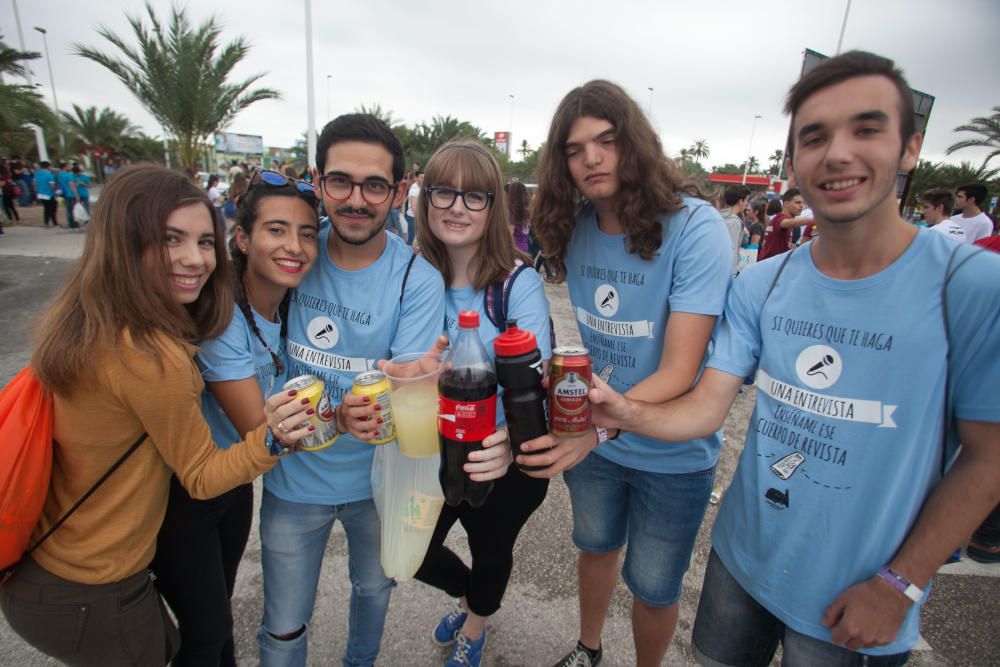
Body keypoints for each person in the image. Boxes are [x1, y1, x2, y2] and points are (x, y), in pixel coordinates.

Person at [585, 50, 1000, 666]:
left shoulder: (970, 286)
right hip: (739, 564)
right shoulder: (764, 283)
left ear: (910, 148)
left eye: (866, 129)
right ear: (794, 162)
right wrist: (614, 413)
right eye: (814, 137)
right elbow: (705, 405)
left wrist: (902, 584)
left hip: (859, 598)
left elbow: (988, 456)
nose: (836, 153)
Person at [0, 164, 314, 666]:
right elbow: (200, 475)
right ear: (124, 243)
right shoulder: (150, 354)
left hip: (51, 569)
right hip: (94, 585)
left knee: (208, 631)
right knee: (201, 641)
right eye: (171, 240)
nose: (195, 259)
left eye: (202, 242)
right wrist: (274, 437)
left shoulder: (92, 320)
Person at [523, 80, 733, 667]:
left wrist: (599, 429)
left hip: (670, 450)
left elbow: (680, 369)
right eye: (574, 148)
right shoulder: (577, 225)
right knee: (593, 547)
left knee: (654, 584)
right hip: (592, 437)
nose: (591, 157)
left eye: (607, 141)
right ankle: (588, 650)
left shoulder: (695, 228)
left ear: (634, 144)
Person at [256, 113, 446, 667]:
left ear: (400, 190)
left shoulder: (417, 278)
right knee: (283, 628)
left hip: (376, 485)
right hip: (293, 480)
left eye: (375, 185)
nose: (356, 199)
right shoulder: (293, 256)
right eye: (340, 181)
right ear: (317, 182)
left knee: (373, 592)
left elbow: (403, 382)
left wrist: (416, 385)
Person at [151, 169, 321, 666]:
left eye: (306, 233)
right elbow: (260, 430)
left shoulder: (289, 304)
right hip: (186, 496)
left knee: (216, 620)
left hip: (234, 487)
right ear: (242, 238)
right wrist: (344, 417)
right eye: (276, 230)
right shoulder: (222, 315)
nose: (294, 245)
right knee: (205, 635)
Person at [410, 140, 551, 667]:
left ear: (494, 207)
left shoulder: (517, 283)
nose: (456, 207)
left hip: (503, 456)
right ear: (426, 200)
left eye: (475, 196)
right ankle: (473, 598)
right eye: (443, 191)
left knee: (493, 550)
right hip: (433, 450)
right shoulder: (413, 277)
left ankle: (476, 625)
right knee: (412, 551)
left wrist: (512, 447)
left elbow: (536, 382)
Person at [757, 187, 811, 260]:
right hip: (770, 266)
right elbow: (791, 223)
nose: (801, 206)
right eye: (798, 202)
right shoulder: (780, 219)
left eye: (803, 203)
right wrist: (816, 220)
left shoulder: (779, 219)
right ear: (786, 204)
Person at [719, 185, 750, 276]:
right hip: (726, 273)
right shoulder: (734, 222)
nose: (747, 204)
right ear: (740, 201)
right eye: (746, 200)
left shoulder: (719, 216)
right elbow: (731, 250)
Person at [506, 180, 533, 253]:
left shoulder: (512, 212)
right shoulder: (529, 210)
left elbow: (510, 235)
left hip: (515, 249)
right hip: (525, 246)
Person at [57, 161, 80, 229]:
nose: (71, 167)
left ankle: (71, 224)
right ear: (65, 167)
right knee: (73, 210)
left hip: (64, 194)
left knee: (68, 210)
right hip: (71, 194)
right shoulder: (68, 175)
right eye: (69, 166)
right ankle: (75, 224)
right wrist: (77, 195)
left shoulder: (60, 175)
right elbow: (72, 185)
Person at [34, 161, 58, 227]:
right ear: (48, 167)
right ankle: (54, 223)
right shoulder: (50, 175)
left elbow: (35, 184)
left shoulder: (37, 174)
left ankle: (46, 223)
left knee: (46, 208)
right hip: (49, 194)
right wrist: (56, 191)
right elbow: (52, 186)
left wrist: (37, 192)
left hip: (41, 194)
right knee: (52, 209)